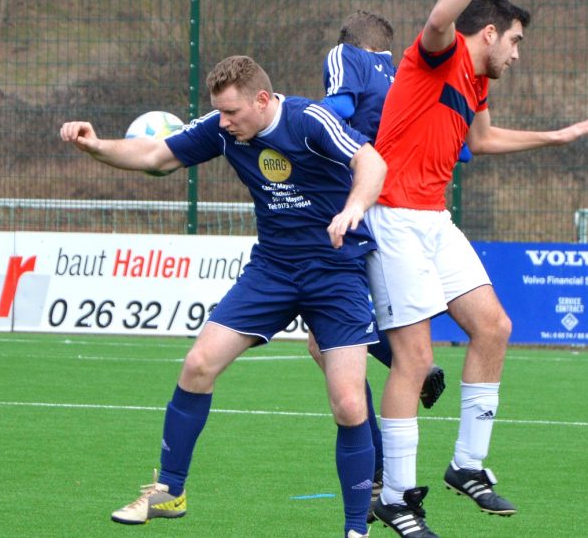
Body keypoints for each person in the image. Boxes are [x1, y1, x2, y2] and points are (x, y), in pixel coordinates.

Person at [60, 55, 388, 538]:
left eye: (232, 111)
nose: (224, 121)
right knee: (198, 364)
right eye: (219, 112)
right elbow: (157, 157)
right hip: (272, 270)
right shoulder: (221, 128)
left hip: (334, 270)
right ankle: (169, 491)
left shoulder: (307, 119)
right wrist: (95, 146)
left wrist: (354, 207)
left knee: (348, 404)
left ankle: (356, 528)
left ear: (261, 99)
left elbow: (371, 160)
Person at [365, 0, 588, 536]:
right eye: (516, 41)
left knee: (494, 327)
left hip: (433, 219)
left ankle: (466, 466)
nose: (518, 54)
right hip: (393, 217)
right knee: (414, 358)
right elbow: (438, 14)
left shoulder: (476, 82)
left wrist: (558, 136)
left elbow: (483, 139)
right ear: (490, 32)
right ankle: (396, 497)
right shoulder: (440, 51)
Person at [315, 10, 448, 515]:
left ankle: (374, 469)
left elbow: (335, 110)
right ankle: (412, 368)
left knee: (326, 343)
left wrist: (295, 122)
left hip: (352, 208)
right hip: (408, 212)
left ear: (352, 43)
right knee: (333, 339)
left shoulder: (348, 58)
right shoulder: (412, 76)